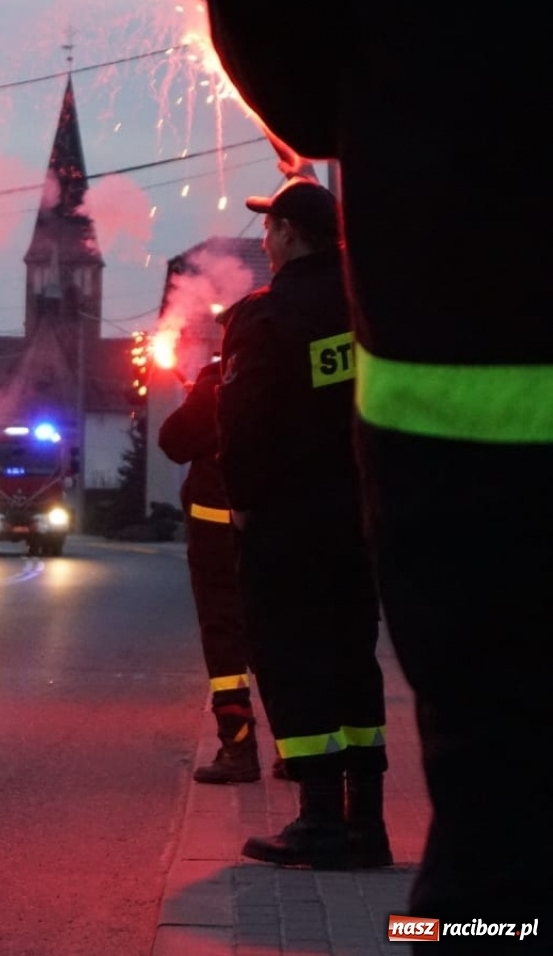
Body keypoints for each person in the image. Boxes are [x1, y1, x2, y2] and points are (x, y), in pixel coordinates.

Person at [202, 0, 549, 920]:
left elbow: (288, 56)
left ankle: (388, 859)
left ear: (288, 237)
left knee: (494, 838)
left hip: (469, 405)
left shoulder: (268, 320)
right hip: (413, 455)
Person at [215, 177, 389, 870]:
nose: (264, 239)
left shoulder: (266, 315)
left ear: (289, 233)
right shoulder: (369, 309)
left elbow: (243, 423)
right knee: (354, 657)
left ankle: (318, 819)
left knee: (294, 659)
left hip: (288, 522)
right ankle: (366, 822)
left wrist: (244, 501)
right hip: (361, 519)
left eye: (269, 228)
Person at [156, 359, 258, 784]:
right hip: (282, 531)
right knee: (280, 637)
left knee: (224, 635)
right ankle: (298, 752)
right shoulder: (292, 371)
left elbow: (174, 440)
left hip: (218, 537)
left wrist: (200, 394)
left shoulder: (220, 380)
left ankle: (238, 745)